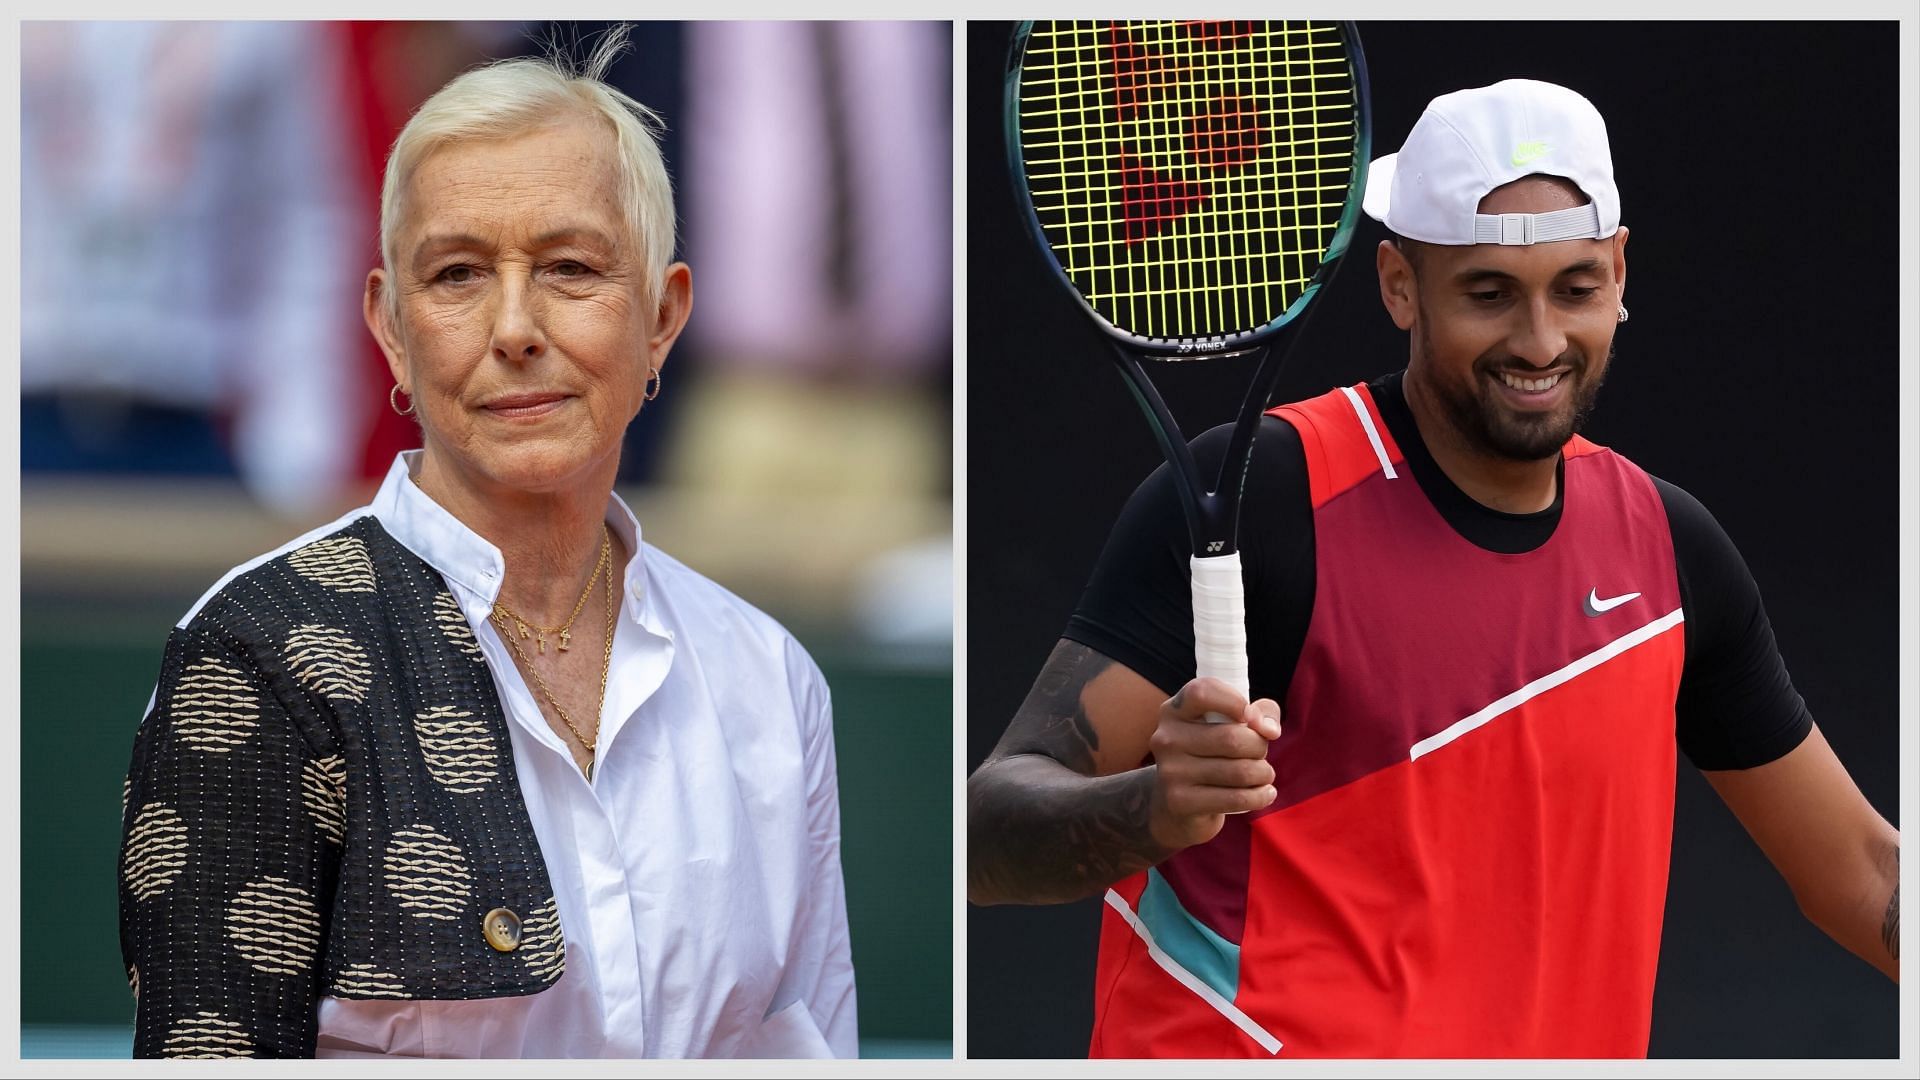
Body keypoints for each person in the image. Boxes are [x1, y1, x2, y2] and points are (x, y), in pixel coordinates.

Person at [967, 79, 1898, 1058]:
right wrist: (1151, 808)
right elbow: (989, 835)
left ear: (1620, 273)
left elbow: (1863, 876)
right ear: (1400, 285)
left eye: (1575, 288)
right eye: (1489, 293)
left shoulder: (1671, 551)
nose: (1539, 342)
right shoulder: (1264, 500)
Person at [117, 30, 857, 1059]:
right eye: (459, 274)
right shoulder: (257, 651)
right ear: (391, 330)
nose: (516, 327)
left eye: (569, 267)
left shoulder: (769, 680)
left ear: (663, 318)